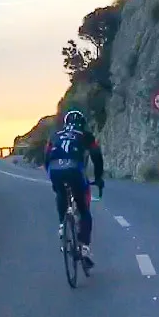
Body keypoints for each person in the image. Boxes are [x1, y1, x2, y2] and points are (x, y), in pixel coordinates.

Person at [44, 109, 105, 267]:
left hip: (54, 168)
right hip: (74, 169)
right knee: (84, 208)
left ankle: (62, 225)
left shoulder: (55, 135)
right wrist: (98, 178)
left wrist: (52, 179)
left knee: (60, 193)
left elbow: (46, 156)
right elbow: (97, 157)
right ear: (83, 124)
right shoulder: (86, 136)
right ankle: (84, 246)